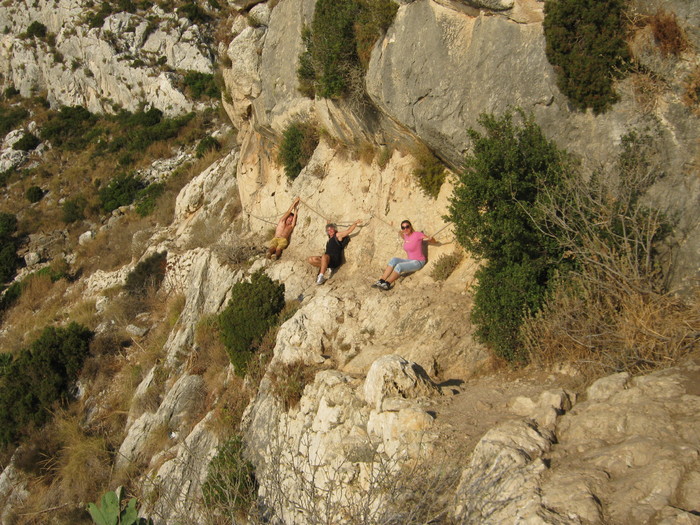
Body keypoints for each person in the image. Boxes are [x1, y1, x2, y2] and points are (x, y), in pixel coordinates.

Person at [372, 220, 436, 290]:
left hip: (418, 262)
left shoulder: (417, 234)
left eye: (407, 227)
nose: (405, 229)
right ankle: (382, 280)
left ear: (411, 227)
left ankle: (387, 283)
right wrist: (400, 231)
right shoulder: (405, 236)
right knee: (394, 260)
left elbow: (432, 241)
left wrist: (431, 239)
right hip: (409, 260)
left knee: (399, 266)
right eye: (403, 228)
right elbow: (402, 234)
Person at [308, 220, 362, 285]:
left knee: (324, 256)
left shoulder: (337, 235)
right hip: (328, 260)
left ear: (334, 229)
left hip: (335, 259)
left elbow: (348, 231)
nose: (330, 231)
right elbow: (328, 228)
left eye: (331, 229)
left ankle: (321, 276)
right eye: (328, 230)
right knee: (311, 259)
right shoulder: (329, 238)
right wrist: (328, 223)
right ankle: (327, 268)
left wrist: (355, 223)